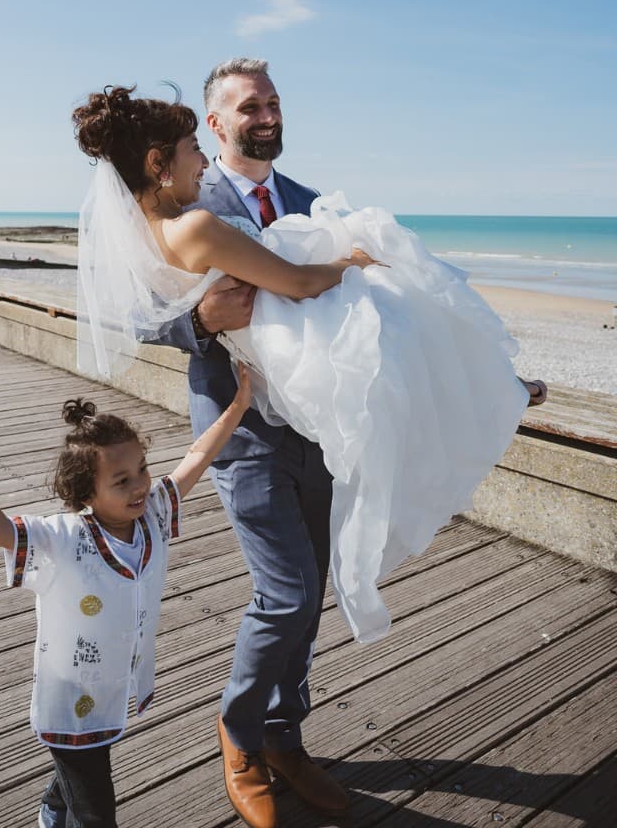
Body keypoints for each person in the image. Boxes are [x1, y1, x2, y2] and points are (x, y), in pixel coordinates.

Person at [72, 61, 547, 828]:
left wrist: (480, 375)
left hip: (327, 430)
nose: (266, 114)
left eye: (274, 101)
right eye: (248, 105)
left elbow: (380, 319)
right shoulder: (188, 205)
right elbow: (133, 310)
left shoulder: (305, 201)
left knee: (309, 595)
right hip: (244, 429)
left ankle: (287, 738)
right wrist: (200, 324)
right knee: (285, 592)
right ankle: (239, 739)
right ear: (214, 125)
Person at [0, 367, 253, 828]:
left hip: (115, 683)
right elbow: (2, 530)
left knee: (84, 771)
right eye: (121, 481)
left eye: (141, 470)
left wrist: (238, 406)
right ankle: (65, 809)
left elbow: (198, 453)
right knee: (95, 810)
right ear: (84, 494)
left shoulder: (153, 511)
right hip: (69, 698)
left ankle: (55, 805)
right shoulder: (62, 539)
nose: (139, 485)